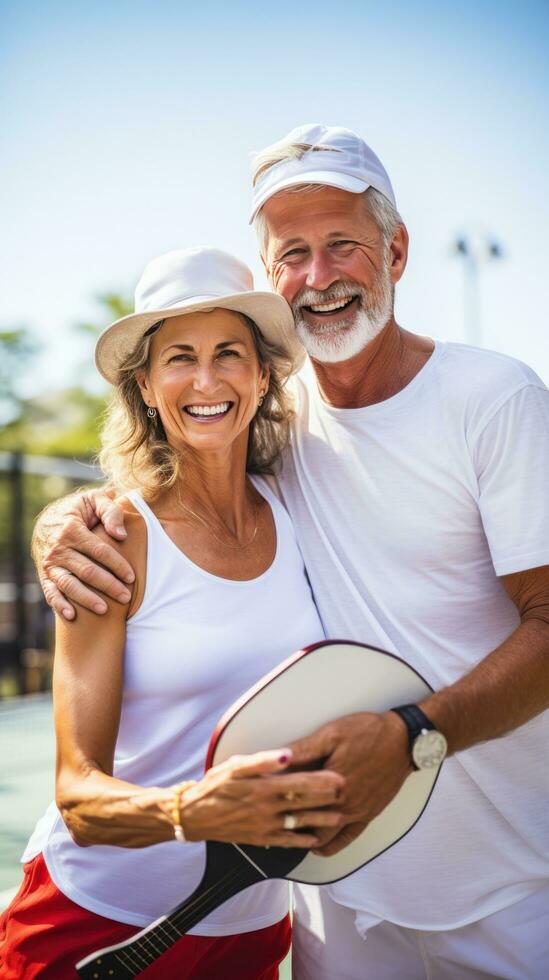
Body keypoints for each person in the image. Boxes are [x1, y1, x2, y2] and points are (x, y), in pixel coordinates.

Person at [31, 125, 549, 978]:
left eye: (342, 244)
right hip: (327, 894)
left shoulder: (493, 399)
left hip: (503, 885)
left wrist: (413, 734)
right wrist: (68, 517)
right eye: (291, 253)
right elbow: (171, 477)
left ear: (397, 250)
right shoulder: (273, 415)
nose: (319, 277)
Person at [0, 246, 345, 980]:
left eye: (229, 354)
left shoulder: (306, 511)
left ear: (262, 375)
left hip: (253, 927)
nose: (207, 379)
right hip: (96, 928)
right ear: (147, 388)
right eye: (179, 358)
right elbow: (78, 797)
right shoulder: (113, 543)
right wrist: (193, 811)